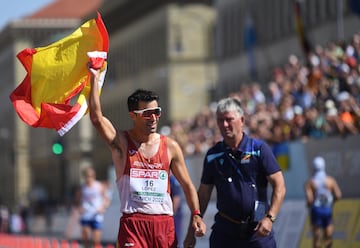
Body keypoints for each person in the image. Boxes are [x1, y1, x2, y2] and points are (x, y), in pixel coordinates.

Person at [88, 64, 206, 248]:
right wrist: (94, 77)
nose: (154, 118)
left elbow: (188, 185)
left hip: (164, 226)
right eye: (147, 114)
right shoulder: (122, 143)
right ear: (133, 115)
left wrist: (196, 214)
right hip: (133, 224)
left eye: (157, 112)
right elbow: (96, 118)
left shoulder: (171, 147)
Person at [184, 97, 286, 248]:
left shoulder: (259, 149)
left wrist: (270, 218)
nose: (224, 125)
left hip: (257, 232)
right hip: (225, 232)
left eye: (229, 119)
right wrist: (190, 232)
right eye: (220, 120)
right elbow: (204, 194)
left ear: (242, 120)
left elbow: (280, 186)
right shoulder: (213, 154)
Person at [304, 156, 342, 248]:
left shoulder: (310, 182)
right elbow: (338, 195)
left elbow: (309, 200)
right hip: (327, 209)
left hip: (316, 210)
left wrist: (309, 205)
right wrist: (331, 202)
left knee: (316, 237)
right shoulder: (330, 180)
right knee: (328, 236)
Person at [79, 167, 110, 248]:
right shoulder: (82, 188)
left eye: (91, 176)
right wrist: (79, 207)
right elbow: (77, 201)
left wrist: (103, 207)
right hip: (86, 214)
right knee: (86, 239)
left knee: (96, 241)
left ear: (94, 176)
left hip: (96, 215)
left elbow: (107, 200)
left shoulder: (99, 186)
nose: (89, 178)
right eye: (87, 176)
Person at [170, 175, 184, 243]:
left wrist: (171, 215)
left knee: (174, 240)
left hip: (174, 216)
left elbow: (176, 199)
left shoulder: (173, 181)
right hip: (169, 216)